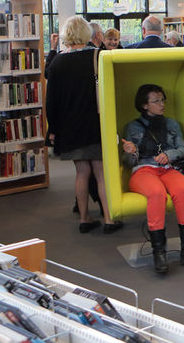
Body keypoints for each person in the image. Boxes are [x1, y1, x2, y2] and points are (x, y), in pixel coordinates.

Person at [45, 16, 120, 234]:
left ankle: (84, 219)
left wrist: (54, 129)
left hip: (71, 126)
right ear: (87, 33)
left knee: (81, 173)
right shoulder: (99, 56)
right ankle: (109, 219)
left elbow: (52, 101)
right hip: (96, 123)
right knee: (101, 172)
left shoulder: (58, 61)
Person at [120, 83, 184, 274]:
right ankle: (159, 252)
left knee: (183, 190)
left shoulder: (172, 124)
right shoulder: (132, 127)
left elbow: (183, 149)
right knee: (156, 194)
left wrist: (170, 154)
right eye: (156, 101)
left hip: (168, 168)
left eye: (162, 100)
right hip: (143, 170)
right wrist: (131, 152)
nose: (162, 104)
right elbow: (128, 162)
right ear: (144, 105)